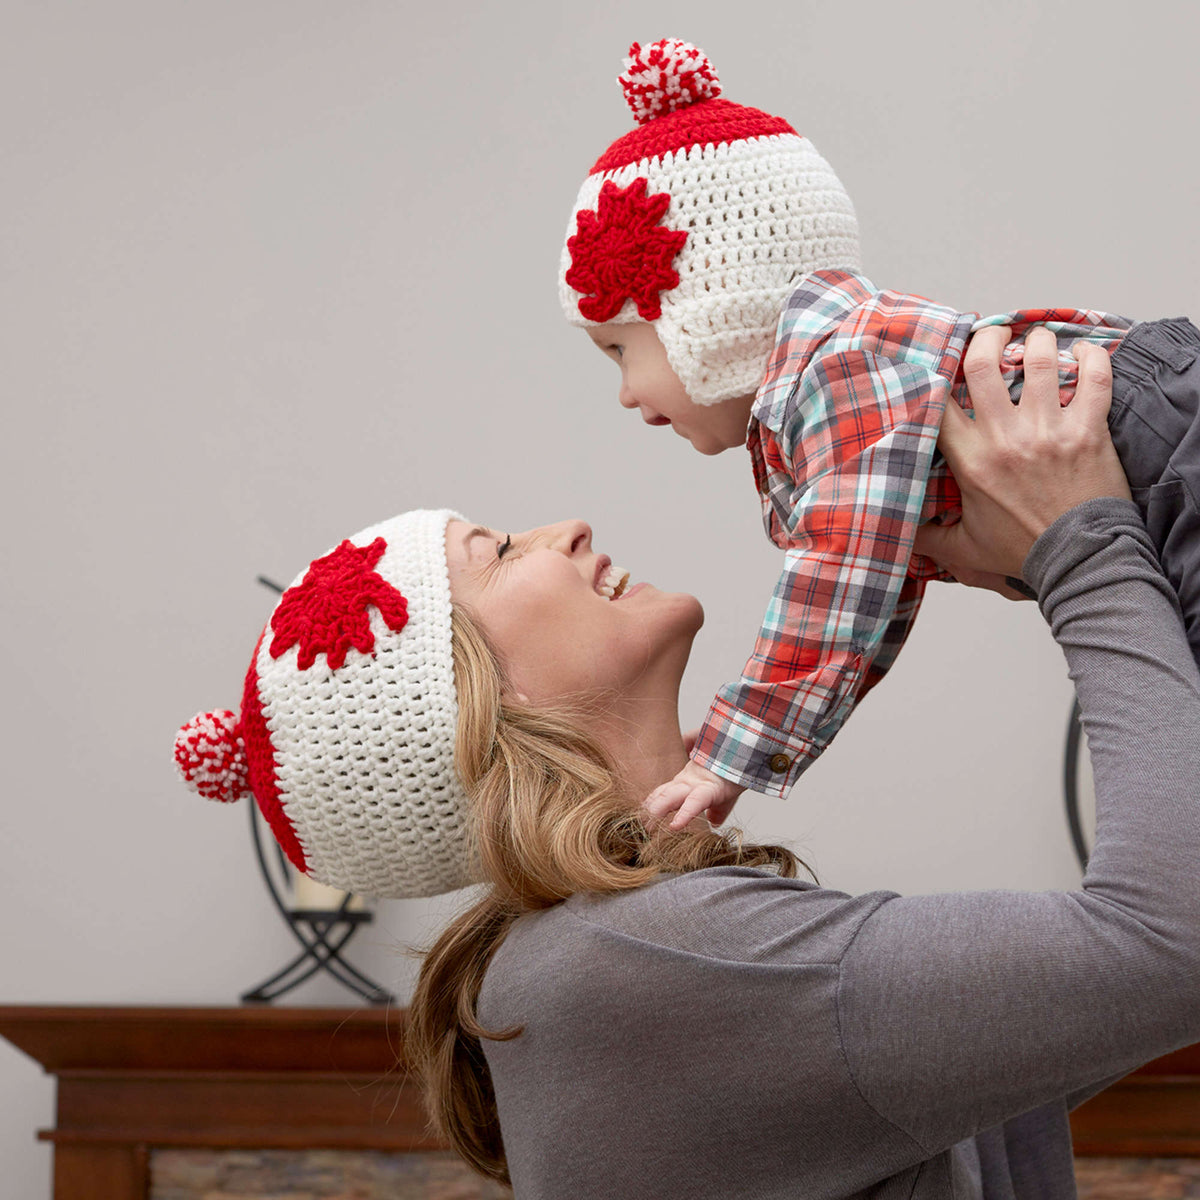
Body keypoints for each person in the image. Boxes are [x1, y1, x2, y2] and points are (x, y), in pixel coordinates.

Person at [174, 324, 1200, 1196]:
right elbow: (1173, 944)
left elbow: (1099, 998)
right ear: (479, 711)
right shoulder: (639, 969)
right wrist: (1082, 545)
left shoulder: (603, 970)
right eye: (497, 553)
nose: (564, 530)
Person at [558, 37, 1200, 831]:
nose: (624, 393)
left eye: (621, 348)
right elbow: (872, 599)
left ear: (707, 316)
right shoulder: (841, 381)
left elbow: (838, 576)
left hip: (1161, 447)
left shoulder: (841, 370)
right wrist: (755, 748)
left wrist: (734, 751)